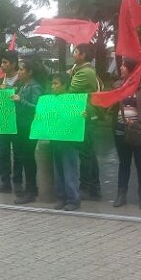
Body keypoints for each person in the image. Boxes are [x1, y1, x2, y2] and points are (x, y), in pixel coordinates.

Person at [110, 57, 141, 210]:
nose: (121, 68)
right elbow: (112, 107)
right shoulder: (118, 85)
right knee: (123, 163)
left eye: (124, 66)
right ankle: (121, 195)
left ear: (132, 68)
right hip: (121, 130)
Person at [69, 43, 102, 199]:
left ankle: (86, 186)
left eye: (75, 51)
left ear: (82, 55)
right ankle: (94, 187)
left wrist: (67, 76)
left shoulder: (85, 72)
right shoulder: (80, 70)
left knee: (85, 152)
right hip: (84, 114)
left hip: (85, 115)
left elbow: (69, 90)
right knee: (88, 151)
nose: (73, 54)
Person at [11, 58, 45, 205]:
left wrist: (21, 101)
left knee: (28, 158)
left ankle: (31, 190)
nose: (19, 71)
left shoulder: (34, 87)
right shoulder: (22, 85)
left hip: (29, 127)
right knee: (24, 157)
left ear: (30, 72)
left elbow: (37, 107)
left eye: (22, 69)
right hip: (21, 126)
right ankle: (30, 188)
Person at [0, 50, 22, 194]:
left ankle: (17, 182)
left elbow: (22, 96)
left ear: (13, 64)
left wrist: (8, 89)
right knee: (3, 153)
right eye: (1, 62)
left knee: (18, 154)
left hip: (17, 122)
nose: (2, 65)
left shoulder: (22, 79)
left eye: (5, 62)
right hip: (3, 121)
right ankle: (5, 182)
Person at [49, 73, 81, 211]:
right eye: (53, 83)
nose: (53, 87)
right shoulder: (50, 101)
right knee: (58, 172)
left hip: (69, 142)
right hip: (56, 141)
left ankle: (73, 199)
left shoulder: (74, 100)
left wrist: (84, 114)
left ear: (65, 85)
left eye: (56, 84)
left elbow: (84, 115)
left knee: (69, 172)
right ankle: (61, 197)